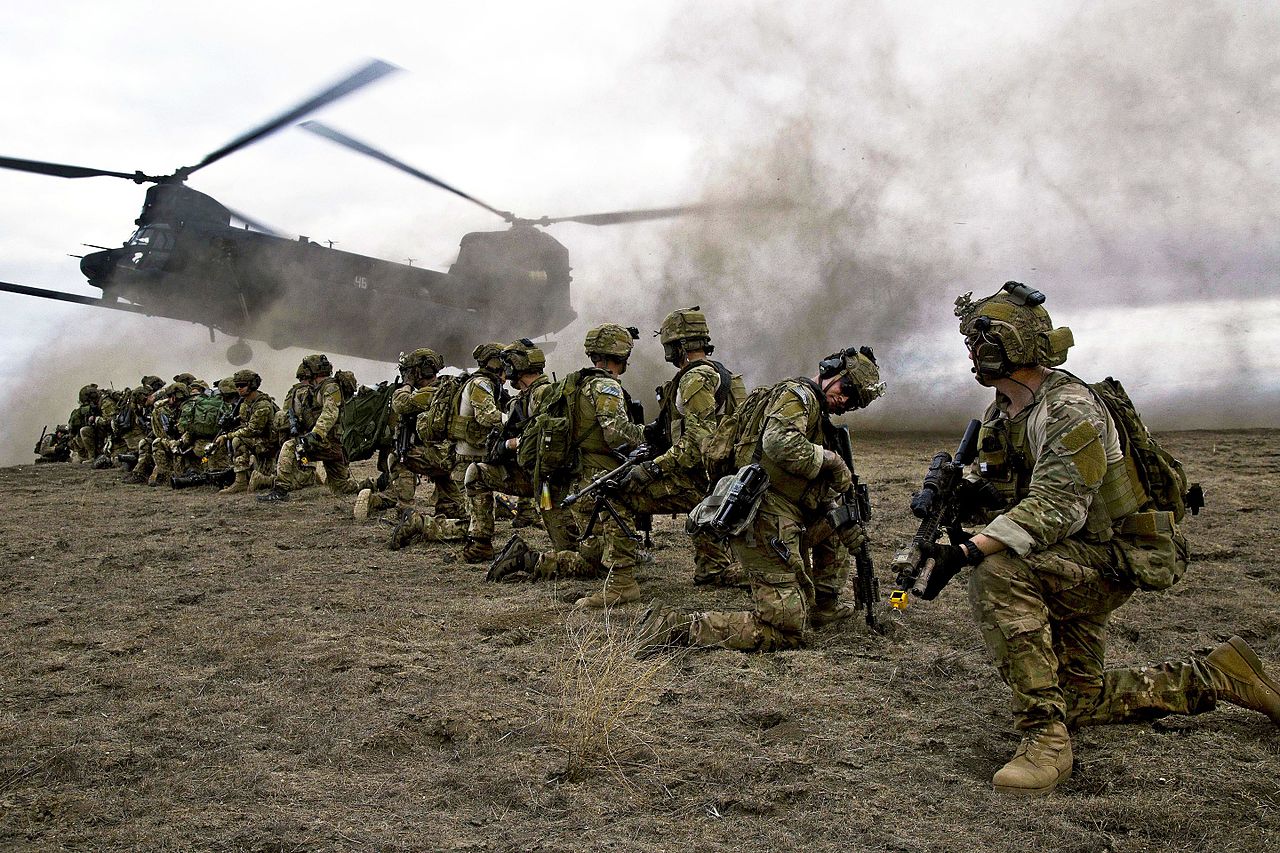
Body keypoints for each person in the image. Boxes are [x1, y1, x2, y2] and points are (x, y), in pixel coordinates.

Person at [917, 280, 1279, 796]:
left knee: (997, 571)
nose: (973, 354)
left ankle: (1044, 739)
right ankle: (1217, 675)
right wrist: (964, 498)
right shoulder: (1005, 411)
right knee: (1080, 698)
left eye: (981, 342)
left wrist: (968, 550)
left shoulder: (1069, 410)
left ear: (1010, 347)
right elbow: (1012, 493)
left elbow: (1058, 506)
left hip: (1117, 554)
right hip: (1076, 551)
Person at [636, 345, 885, 651]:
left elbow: (805, 486)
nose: (845, 400)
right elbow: (780, 443)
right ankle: (675, 628)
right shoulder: (798, 396)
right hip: (764, 517)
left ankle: (825, 606)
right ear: (830, 371)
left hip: (783, 514)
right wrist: (832, 460)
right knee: (785, 630)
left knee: (836, 526)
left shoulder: (815, 413)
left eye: (854, 400)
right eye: (846, 389)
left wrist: (842, 519)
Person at [488, 323, 648, 608]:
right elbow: (615, 434)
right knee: (599, 558)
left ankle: (530, 559)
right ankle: (532, 560)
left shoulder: (575, 385)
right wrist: (647, 435)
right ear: (621, 354)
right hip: (601, 481)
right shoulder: (606, 385)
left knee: (593, 555)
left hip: (579, 482)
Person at [617, 306, 745, 586]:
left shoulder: (694, 379)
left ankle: (620, 583)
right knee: (711, 572)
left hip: (702, 480)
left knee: (617, 493)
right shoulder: (724, 374)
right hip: (725, 478)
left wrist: (654, 468)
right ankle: (714, 566)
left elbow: (697, 444)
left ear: (681, 346)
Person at [461, 339, 574, 562]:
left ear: (516, 366)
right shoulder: (522, 398)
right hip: (531, 476)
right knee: (476, 473)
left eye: (507, 365)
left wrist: (517, 443)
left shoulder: (545, 394)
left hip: (552, 483)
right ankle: (480, 544)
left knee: (570, 552)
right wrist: (507, 445)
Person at [354, 348, 465, 522]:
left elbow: (401, 403)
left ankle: (406, 510)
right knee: (435, 460)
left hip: (445, 457)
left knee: (399, 458)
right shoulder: (449, 387)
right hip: (457, 456)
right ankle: (450, 505)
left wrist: (406, 384)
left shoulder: (431, 392)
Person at [258, 354, 370, 502]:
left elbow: (330, 414)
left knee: (290, 447)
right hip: (327, 443)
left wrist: (315, 434)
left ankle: (280, 490)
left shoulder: (331, 388)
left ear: (313, 370)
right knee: (341, 487)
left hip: (328, 442)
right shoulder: (313, 390)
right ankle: (370, 486)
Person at [215, 369, 279, 494]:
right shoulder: (245, 404)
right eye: (237, 385)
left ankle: (240, 482)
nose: (239, 388)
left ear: (252, 385)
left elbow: (253, 430)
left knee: (237, 440)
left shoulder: (262, 405)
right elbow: (244, 425)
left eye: (242, 385)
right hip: (260, 442)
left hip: (270, 443)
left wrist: (227, 436)